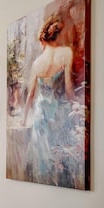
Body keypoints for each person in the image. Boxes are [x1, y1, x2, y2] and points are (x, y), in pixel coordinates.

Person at [21, 15, 77, 187]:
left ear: (42, 40)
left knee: (42, 155)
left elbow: (31, 95)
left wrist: (23, 119)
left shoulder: (37, 63)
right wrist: (76, 108)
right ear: (56, 36)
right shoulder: (66, 53)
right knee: (59, 155)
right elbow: (68, 89)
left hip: (40, 114)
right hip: (57, 112)